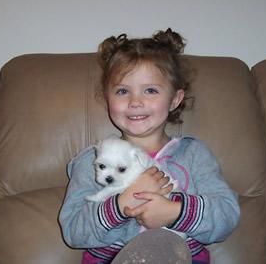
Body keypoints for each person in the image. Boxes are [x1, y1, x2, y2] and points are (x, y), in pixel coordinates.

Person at [59, 28, 240, 264]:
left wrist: (175, 212)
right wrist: (122, 204)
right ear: (107, 98)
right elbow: (73, 231)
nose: (135, 102)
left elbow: (227, 215)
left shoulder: (194, 154)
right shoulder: (93, 161)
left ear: (175, 99)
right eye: (123, 91)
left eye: (150, 90)